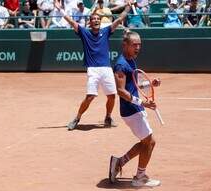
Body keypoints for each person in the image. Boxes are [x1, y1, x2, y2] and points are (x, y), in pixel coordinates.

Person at [54, 0, 133, 130]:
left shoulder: (106, 31)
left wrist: (128, 7)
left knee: (112, 96)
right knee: (90, 96)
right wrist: (59, 9)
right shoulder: (84, 33)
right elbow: (71, 21)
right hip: (93, 70)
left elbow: (119, 19)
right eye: (94, 19)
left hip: (107, 69)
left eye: (98, 19)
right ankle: (77, 118)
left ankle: (108, 117)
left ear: (100, 22)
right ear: (90, 22)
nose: (96, 20)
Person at [109, 29, 161, 187]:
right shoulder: (121, 64)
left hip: (136, 108)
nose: (138, 48)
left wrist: (149, 84)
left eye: (139, 45)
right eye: (134, 45)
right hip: (130, 110)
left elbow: (135, 86)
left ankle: (119, 162)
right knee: (150, 142)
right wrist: (143, 103)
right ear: (125, 45)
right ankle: (140, 176)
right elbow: (121, 91)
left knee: (146, 142)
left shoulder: (131, 60)